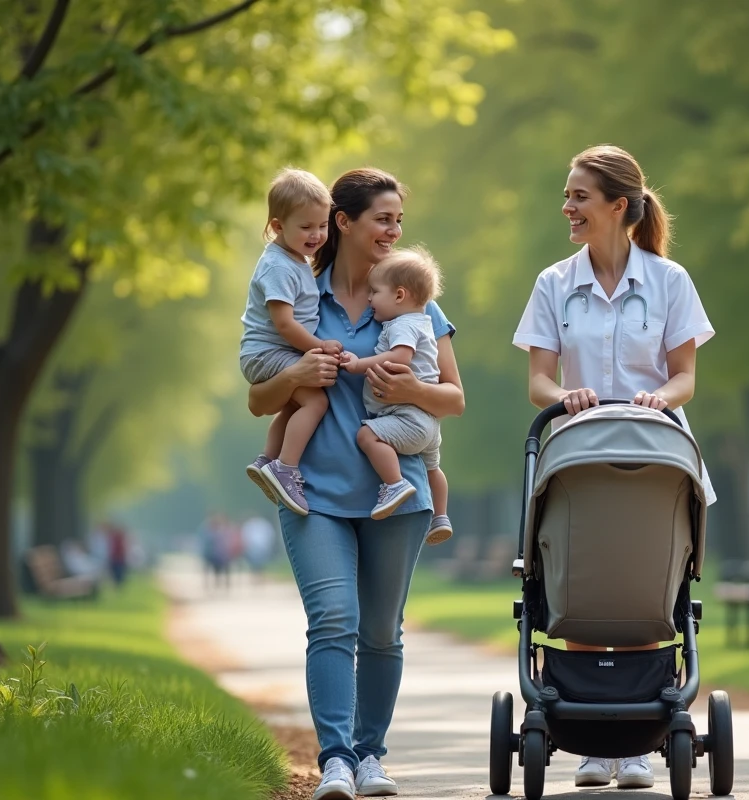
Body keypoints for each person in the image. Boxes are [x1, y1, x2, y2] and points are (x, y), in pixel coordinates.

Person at [247, 168, 465, 800]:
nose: (394, 231)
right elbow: (260, 402)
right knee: (333, 620)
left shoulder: (411, 295)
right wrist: (298, 374)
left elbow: (454, 399)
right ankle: (337, 760)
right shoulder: (295, 288)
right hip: (312, 492)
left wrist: (410, 389)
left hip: (394, 493)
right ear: (343, 222)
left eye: (399, 220)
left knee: (380, 631)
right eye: (383, 219)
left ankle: (372, 755)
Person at [513, 144, 716, 790]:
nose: (567, 206)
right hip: (579, 454)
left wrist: (663, 396)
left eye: (579, 196)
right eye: (568, 194)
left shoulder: (668, 281)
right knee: (582, 582)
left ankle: (633, 747)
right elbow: (539, 381)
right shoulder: (553, 284)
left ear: (617, 206)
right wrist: (563, 397)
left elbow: (684, 376)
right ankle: (598, 747)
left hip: (655, 452)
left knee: (640, 582)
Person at [239, 167, 344, 516]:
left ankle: (268, 460)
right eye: (306, 227)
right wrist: (318, 346)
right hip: (268, 352)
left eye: (322, 225)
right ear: (277, 226)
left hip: (276, 351)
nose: (316, 235)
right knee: (315, 404)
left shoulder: (295, 258)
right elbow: (284, 324)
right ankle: (286, 467)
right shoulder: (279, 266)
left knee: (296, 404)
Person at [341, 245, 453, 543]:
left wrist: (358, 365)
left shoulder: (402, 325)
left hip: (405, 415)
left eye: (375, 292)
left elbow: (399, 358)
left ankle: (395, 484)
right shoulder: (423, 322)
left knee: (367, 437)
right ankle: (440, 516)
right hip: (428, 420)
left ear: (400, 295)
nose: (369, 298)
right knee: (433, 468)